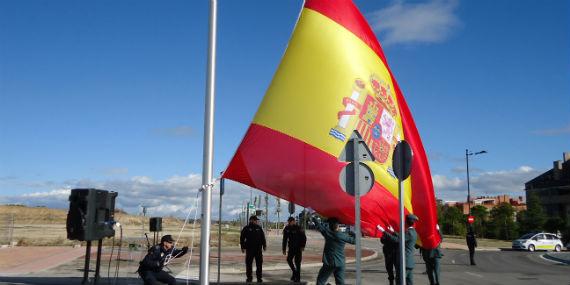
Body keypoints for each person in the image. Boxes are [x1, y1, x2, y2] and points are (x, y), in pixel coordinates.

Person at [312, 215, 355, 285]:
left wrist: (313, 217)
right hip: (340, 263)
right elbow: (354, 241)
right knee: (340, 282)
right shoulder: (343, 235)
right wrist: (353, 232)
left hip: (329, 263)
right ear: (338, 226)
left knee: (320, 281)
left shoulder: (327, 233)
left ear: (329, 226)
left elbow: (319, 226)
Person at [377, 214, 419, 285]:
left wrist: (383, 231)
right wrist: (393, 231)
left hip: (404, 262)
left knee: (399, 281)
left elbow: (397, 240)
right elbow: (402, 237)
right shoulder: (413, 232)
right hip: (409, 263)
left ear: (406, 222)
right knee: (409, 282)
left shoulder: (408, 233)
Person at [240, 215, 267, 283]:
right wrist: (242, 247)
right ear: (251, 220)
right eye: (255, 220)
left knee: (259, 264)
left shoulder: (259, 228)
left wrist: (264, 245)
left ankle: (259, 278)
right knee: (249, 264)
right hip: (249, 249)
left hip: (258, 250)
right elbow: (242, 238)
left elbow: (262, 237)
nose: (256, 221)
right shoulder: (246, 228)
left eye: (256, 220)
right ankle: (249, 278)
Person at [282, 216, 307, 282]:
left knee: (297, 263)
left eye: (290, 222)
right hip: (291, 248)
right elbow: (284, 239)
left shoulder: (299, 228)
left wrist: (303, 246)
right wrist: (284, 249)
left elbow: (304, 238)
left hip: (298, 248)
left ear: (293, 221)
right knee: (289, 260)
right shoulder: (287, 228)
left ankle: (297, 278)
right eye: (288, 222)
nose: (289, 223)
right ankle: (295, 272)